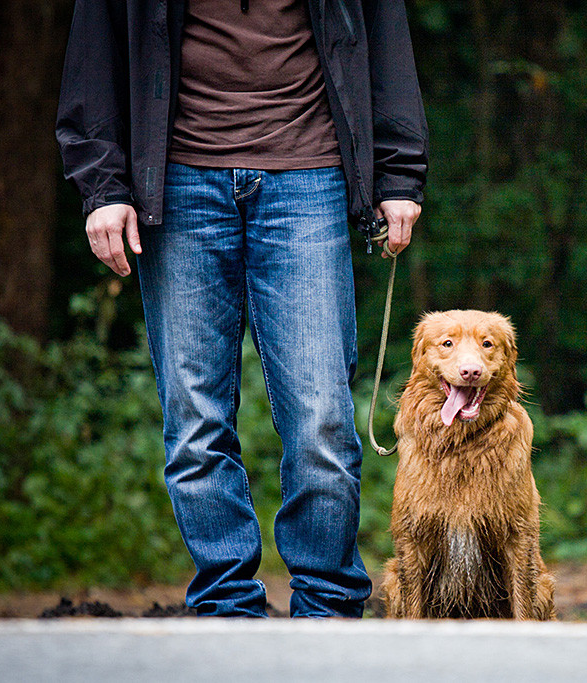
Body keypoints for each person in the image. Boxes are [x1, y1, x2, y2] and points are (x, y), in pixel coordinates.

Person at [56, 0, 428, 618]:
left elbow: (385, 40)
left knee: (322, 418)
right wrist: (102, 185)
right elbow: (94, 51)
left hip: (310, 174)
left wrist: (398, 174)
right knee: (195, 421)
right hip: (175, 178)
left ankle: (328, 613)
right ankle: (228, 614)